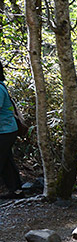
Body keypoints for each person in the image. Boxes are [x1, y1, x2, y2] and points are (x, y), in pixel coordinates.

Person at [0, 61, 24, 199]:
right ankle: (17, 191)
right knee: (7, 161)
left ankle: (16, 190)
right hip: (6, 130)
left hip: (5, 131)